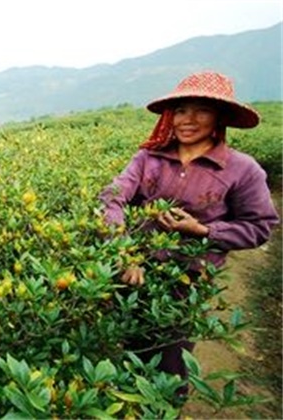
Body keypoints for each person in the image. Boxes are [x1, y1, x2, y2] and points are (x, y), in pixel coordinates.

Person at [99, 71, 279, 402]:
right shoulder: (148, 158)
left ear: (219, 118)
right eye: (181, 110)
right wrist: (125, 253)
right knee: (130, 350)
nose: (188, 120)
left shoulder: (242, 170)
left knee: (170, 362)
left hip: (187, 281)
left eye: (201, 111)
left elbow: (260, 226)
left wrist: (203, 230)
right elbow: (112, 198)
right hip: (134, 272)